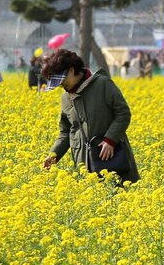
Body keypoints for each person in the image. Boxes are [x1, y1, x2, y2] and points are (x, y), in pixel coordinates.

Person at [38, 49, 139, 183]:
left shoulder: (102, 84)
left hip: (115, 162)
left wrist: (110, 140)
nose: (62, 86)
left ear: (72, 70)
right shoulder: (66, 98)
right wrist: (53, 155)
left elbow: (123, 113)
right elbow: (66, 132)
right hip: (85, 169)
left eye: (62, 81)